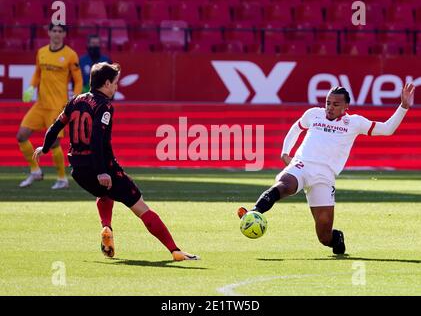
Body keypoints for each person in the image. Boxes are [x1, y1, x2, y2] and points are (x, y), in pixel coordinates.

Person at [33, 62, 199, 261]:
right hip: (101, 168)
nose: (116, 87)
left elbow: (56, 125)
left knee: (104, 194)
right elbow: (96, 139)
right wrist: (102, 171)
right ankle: (176, 251)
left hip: (78, 170)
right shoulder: (104, 107)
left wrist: (45, 147)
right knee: (140, 206)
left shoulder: (75, 101)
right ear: (106, 83)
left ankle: (106, 227)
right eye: (115, 83)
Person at [238, 83, 415, 255]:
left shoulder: (354, 122)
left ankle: (336, 239)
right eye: (328, 103)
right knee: (286, 185)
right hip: (302, 165)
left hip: (324, 177)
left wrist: (403, 107)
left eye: (336, 104)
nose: (330, 107)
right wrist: (285, 152)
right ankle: (254, 212)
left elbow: (387, 129)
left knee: (324, 236)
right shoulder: (314, 114)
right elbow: (295, 128)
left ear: (346, 106)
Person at [18, 23, 83, 189]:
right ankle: (35, 171)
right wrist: (31, 87)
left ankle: (62, 179)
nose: (56, 34)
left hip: (57, 106)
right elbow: (37, 74)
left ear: (64, 34)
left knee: (54, 143)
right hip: (41, 104)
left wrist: (75, 97)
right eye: (54, 31)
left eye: (60, 31)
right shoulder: (42, 52)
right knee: (22, 135)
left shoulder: (70, 55)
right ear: (49, 33)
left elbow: (78, 79)